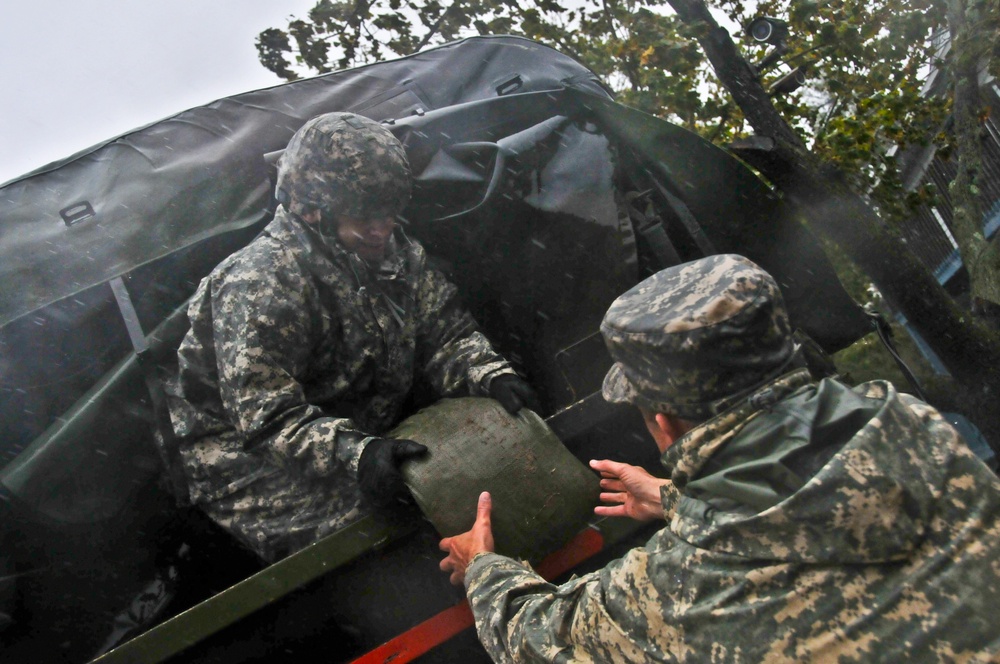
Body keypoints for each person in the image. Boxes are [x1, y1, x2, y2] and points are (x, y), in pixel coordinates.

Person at [439, 253, 1000, 662]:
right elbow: (814, 498)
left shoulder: (679, 588)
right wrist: (672, 499)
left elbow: (541, 639)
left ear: (664, 423)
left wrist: (484, 568)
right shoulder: (917, 428)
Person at [166, 111, 537, 563]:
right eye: (364, 215)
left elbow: (446, 333)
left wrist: (490, 374)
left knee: (488, 470)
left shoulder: (394, 252)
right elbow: (268, 420)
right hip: (250, 463)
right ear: (312, 211)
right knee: (394, 527)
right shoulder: (260, 282)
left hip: (360, 430)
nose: (381, 228)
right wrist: (358, 456)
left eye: (388, 211)